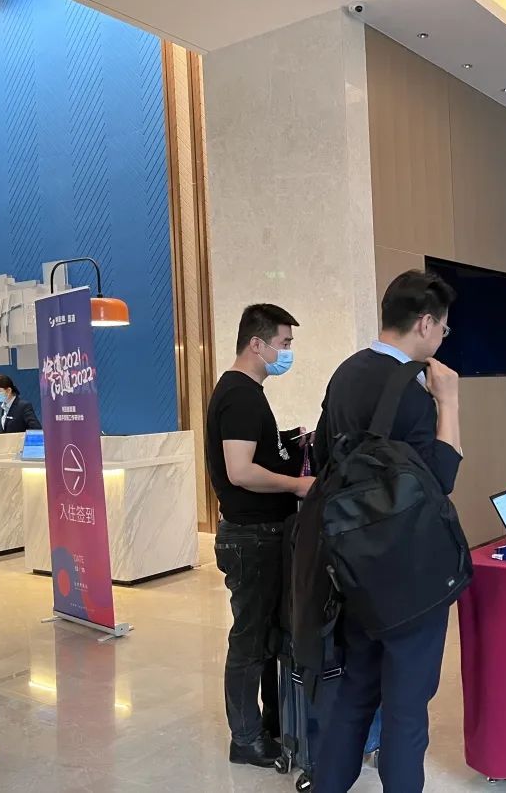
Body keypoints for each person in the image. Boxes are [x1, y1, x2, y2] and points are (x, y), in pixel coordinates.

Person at [311, 270, 462, 793]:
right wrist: (449, 403)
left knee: (356, 690)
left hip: (355, 565)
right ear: (425, 323)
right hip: (410, 572)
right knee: (406, 709)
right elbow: (441, 479)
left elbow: (323, 458)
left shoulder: (344, 374)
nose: (442, 338)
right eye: (443, 328)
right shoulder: (416, 394)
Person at [205, 304, 314, 768]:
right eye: (284, 343)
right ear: (257, 343)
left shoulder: (246, 393)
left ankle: (268, 725)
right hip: (251, 536)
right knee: (249, 642)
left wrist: (289, 442)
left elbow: (254, 453)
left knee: (266, 637)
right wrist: (297, 484)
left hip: (262, 532)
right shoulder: (240, 395)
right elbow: (240, 471)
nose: (287, 352)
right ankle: (246, 739)